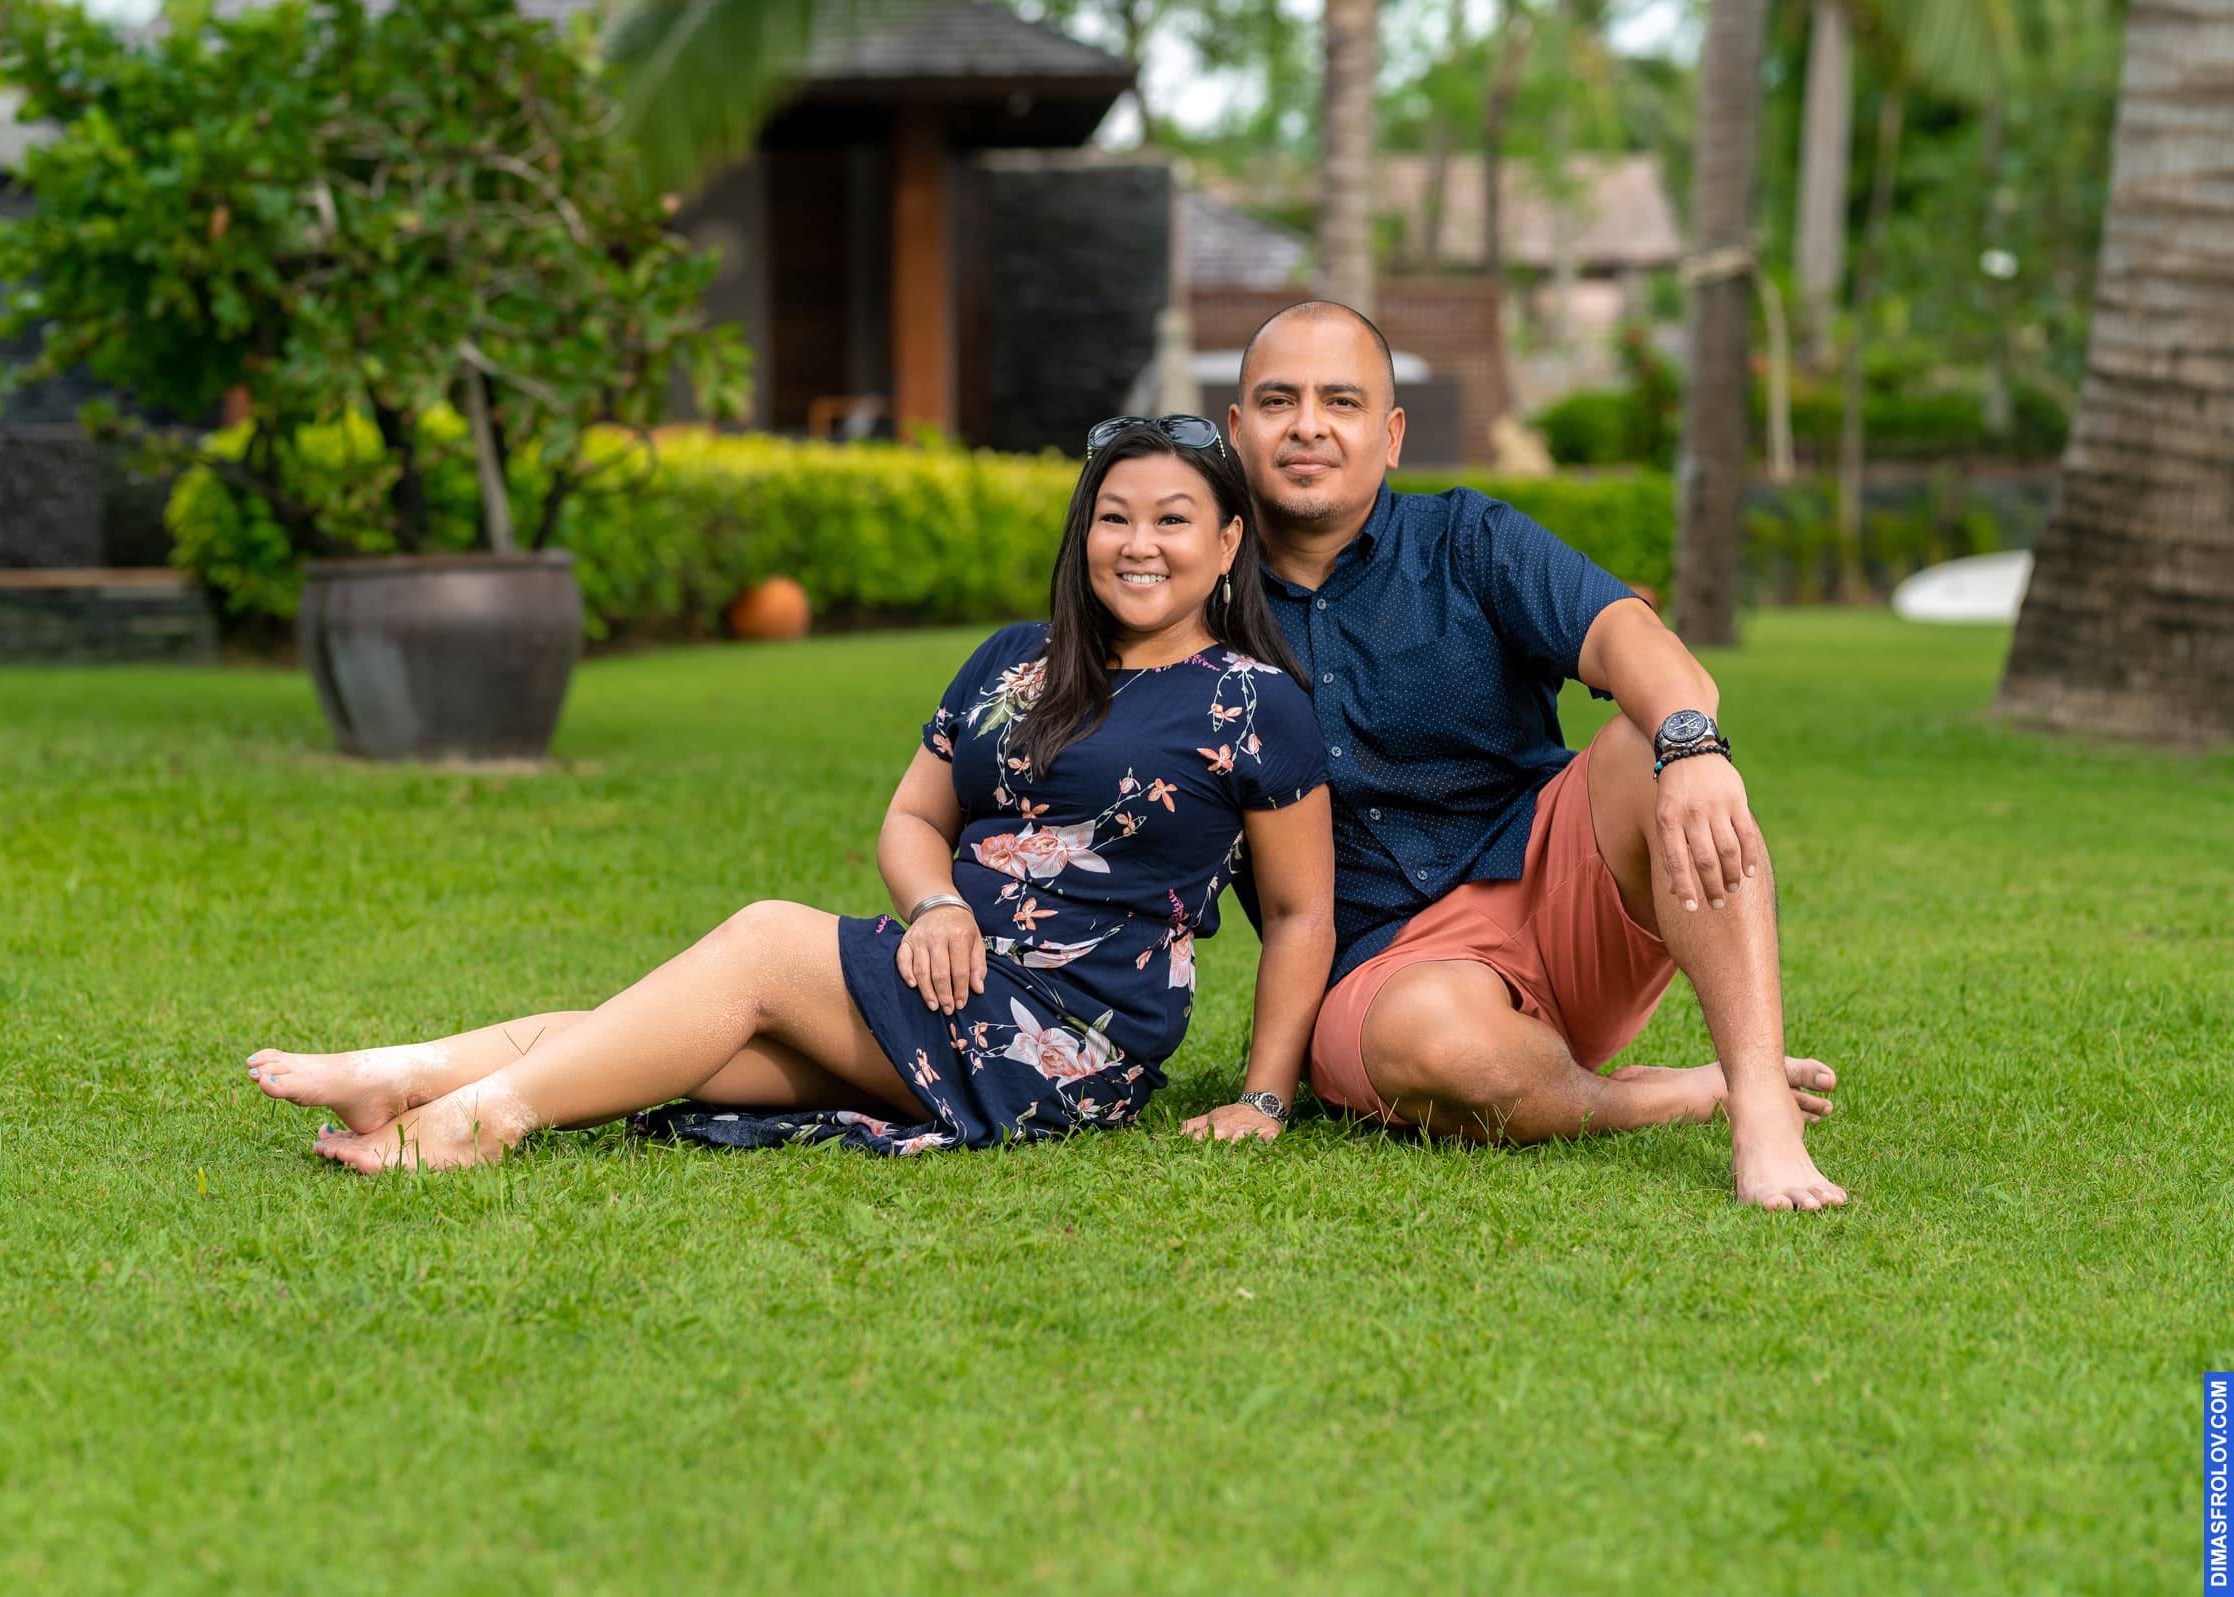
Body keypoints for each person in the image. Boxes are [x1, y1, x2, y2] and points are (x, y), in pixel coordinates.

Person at [246, 420, 1334, 1170]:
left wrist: (1264, 1097)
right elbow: (915, 818)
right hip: (943, 975)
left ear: (1228, 541)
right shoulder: (1016, 658)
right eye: (1113, 517)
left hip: (1064, 1037)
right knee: (687, 1040)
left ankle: (471, 1125)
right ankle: (405, 1076)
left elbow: (1297, 913)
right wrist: (937, 905)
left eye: (1172, 520)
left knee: (765, 943)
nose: (1138, 545)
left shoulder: (1253, 702)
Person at [1225, 300, 1848, 1211]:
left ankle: (1760, 1106)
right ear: (1237, 429)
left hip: (1550, 884)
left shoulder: (1468, 541)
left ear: (1391, 435)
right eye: (1279, 401)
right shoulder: (1201, 607)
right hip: (1385, 970)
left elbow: (1628, 633)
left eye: (1341, 401)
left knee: (1650, 745)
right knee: (1432, 1039)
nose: (1308, 425)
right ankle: (1650, 1097)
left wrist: (1692, 743)